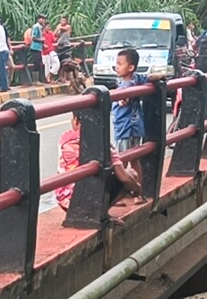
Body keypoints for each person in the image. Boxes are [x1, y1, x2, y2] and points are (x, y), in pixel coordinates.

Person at [55, 111, 144, 217]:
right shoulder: (102, 141)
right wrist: (138, 189)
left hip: (66, 201)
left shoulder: (65, 138)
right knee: (131, 174)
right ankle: (101, 214)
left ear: (75, 120)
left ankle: (98, 213)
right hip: (90, 201)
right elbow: (124, 177)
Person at [111, 48, 164, 188]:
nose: (117, 66)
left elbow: (124, 98)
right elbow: (150, 77)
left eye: (120, 63)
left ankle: (123, 193)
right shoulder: (137, 79)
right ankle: (138, 192)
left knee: (120, 162)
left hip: (124, 128)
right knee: (135, 159)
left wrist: (120, 98)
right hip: (136, 127)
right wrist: (162, 76)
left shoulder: (126, 85)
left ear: (131, 67)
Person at [28, 15, 46, 83]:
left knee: (39, 63)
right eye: (42, 19)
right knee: (36, 63)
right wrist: (41, 40)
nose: (44, 20)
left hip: (38, 48)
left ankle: (37, 79)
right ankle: (35, 80)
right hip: (35, 47)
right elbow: (33, 37)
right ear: (38, 19)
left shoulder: (40, 27)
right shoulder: (36, 26)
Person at [41, 16, 60, 81]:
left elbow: (54, 40)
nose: (49, 28)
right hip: (45, 52)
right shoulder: (41, 34)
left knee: (56, 62)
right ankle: (48, 79)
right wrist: (43, 45)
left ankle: (50, 74)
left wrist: (57, 35)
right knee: (47, 65)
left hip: (51, 50)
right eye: (48, 26)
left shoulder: (50, 33)